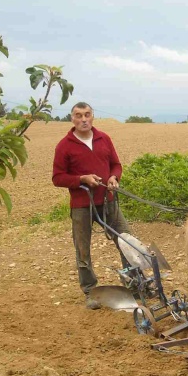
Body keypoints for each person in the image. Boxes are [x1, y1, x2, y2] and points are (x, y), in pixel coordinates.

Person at [52, 102, 131, 309]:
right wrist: (82, 179)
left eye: (87, 114)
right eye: (78, 115)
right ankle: (90, 292)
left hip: (108, 201)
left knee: (126, 241)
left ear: (93, 116)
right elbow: (57, 178)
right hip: (81, 206)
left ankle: (134, 282)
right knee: (83, 251)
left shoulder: (104, 138)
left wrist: (114, 177)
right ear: (72, 119)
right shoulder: (64, 146)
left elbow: (116, 164)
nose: (83, 119)